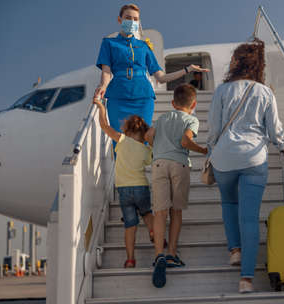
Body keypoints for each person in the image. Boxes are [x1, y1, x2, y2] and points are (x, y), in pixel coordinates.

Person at [206, 38, 284, 293]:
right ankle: (246, 279)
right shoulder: (265, 92)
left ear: (236, 63)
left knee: (228, 202)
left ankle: (234, 249)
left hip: (225, 158)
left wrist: (211, 149)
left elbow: (213, 129)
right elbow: (275, 132)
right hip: (254, 159)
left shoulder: (222, 91)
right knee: (249, 218)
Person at [94, 3, 209, 143]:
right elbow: (106, 71)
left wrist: (187, 69)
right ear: (120, 20)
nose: (132, 22)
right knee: (119, 141)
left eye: (135, 19)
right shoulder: (108, 43)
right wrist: (103, 85)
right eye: (128, 18)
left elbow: (161, 77)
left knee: (143, 142)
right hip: (118, 97)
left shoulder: (144, 47)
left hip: (143, 97)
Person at [144, 84, 208, 288]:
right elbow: (185, 141)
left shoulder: (163, 118)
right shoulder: (192, 119)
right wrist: (203, 150)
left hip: (159, 163)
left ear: (172, 103)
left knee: (160, 212)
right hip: (179, 165)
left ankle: (158, 256)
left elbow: (147, 136)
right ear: (194, 104)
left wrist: (160, 148)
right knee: (176, 212)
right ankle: (172, 253)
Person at [93, 97, 155, 268]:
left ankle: (130, 259)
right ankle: (153, 233)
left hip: (123, 190)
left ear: (127, 129)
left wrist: (100, 107)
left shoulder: (121, 139)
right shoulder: (146, 149)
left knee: (130, 225)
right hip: (141, 187)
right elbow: (152, 160)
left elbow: (104, 126)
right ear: (143, 133)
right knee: (147, 213)